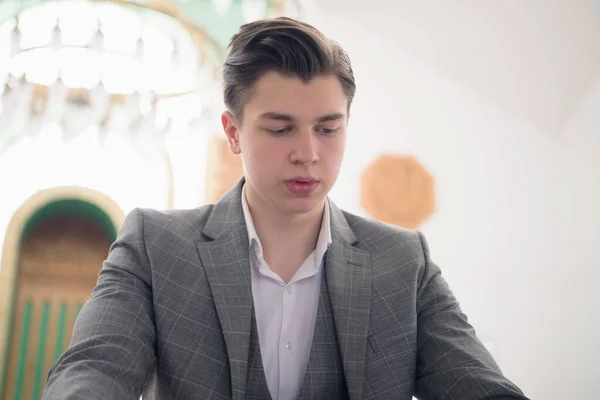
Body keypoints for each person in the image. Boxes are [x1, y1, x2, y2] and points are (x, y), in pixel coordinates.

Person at [43, 17, 528, 400]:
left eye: (328, 129)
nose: (308, 153)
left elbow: (478, 385)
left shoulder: (405, 262)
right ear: (233, 132)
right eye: (280, 129)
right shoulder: (154, 244)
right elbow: (95, 368)